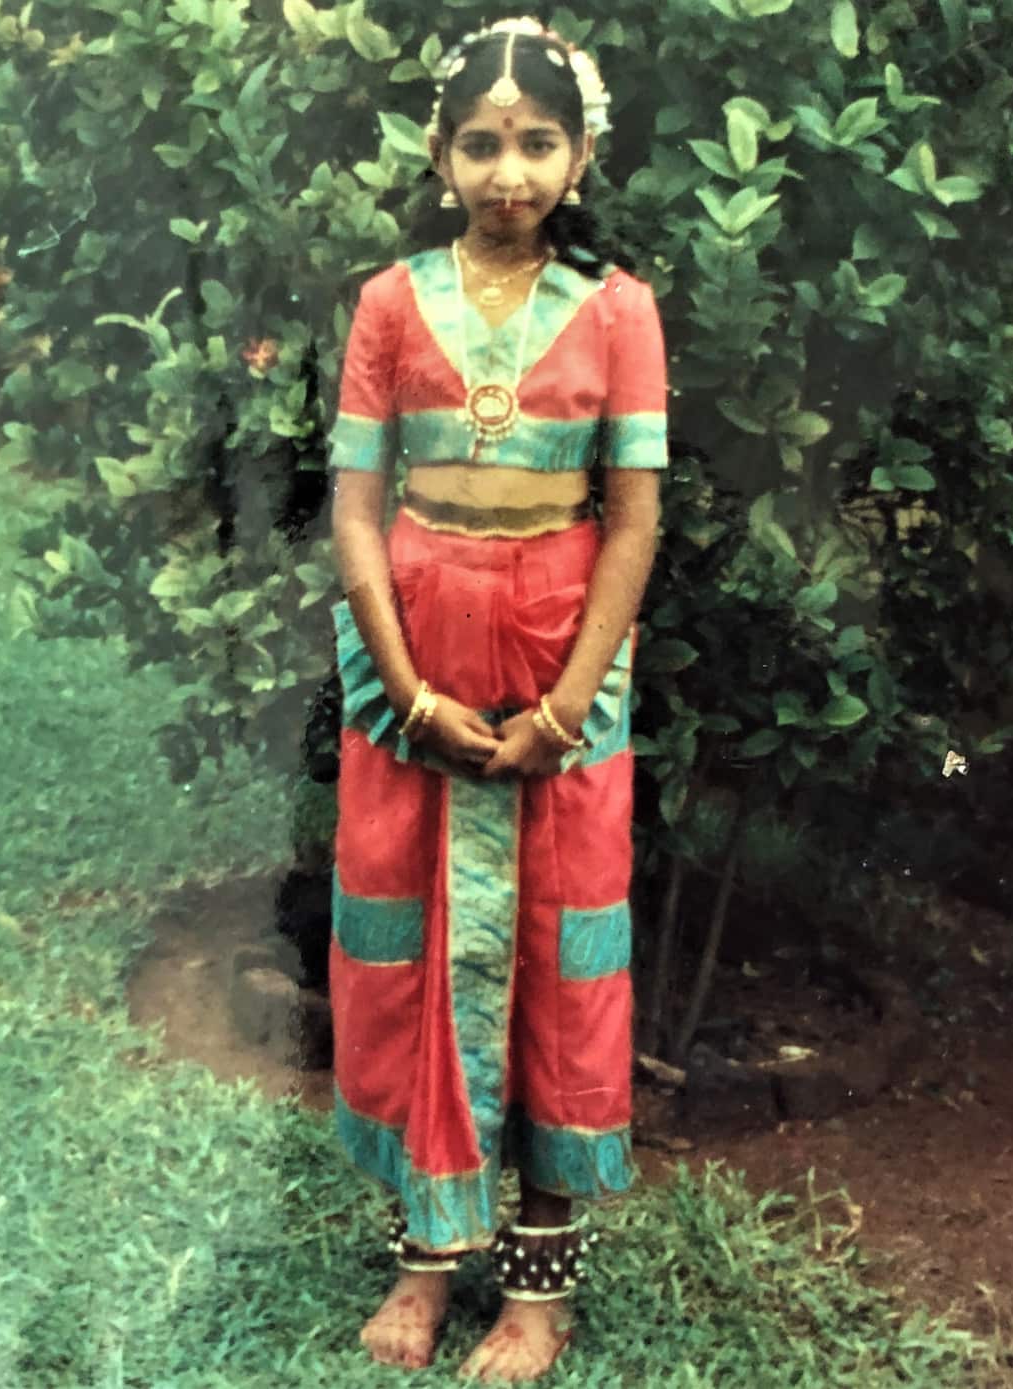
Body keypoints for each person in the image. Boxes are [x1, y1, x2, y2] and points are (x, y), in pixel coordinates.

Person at [325, 16, 668, 1382]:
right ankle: (423, 1260)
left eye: (537, 143)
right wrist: (406, 688)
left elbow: (633, 521)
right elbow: (357, 508)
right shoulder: (391, 303)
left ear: (579, 157)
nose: (508, 170)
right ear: (438, 151)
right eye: (482, 143)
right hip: (416, 660)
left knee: (555, 960)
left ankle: (538, 1283)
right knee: (408, 939)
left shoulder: (620, 311)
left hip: (560, 665)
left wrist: (566, 706)